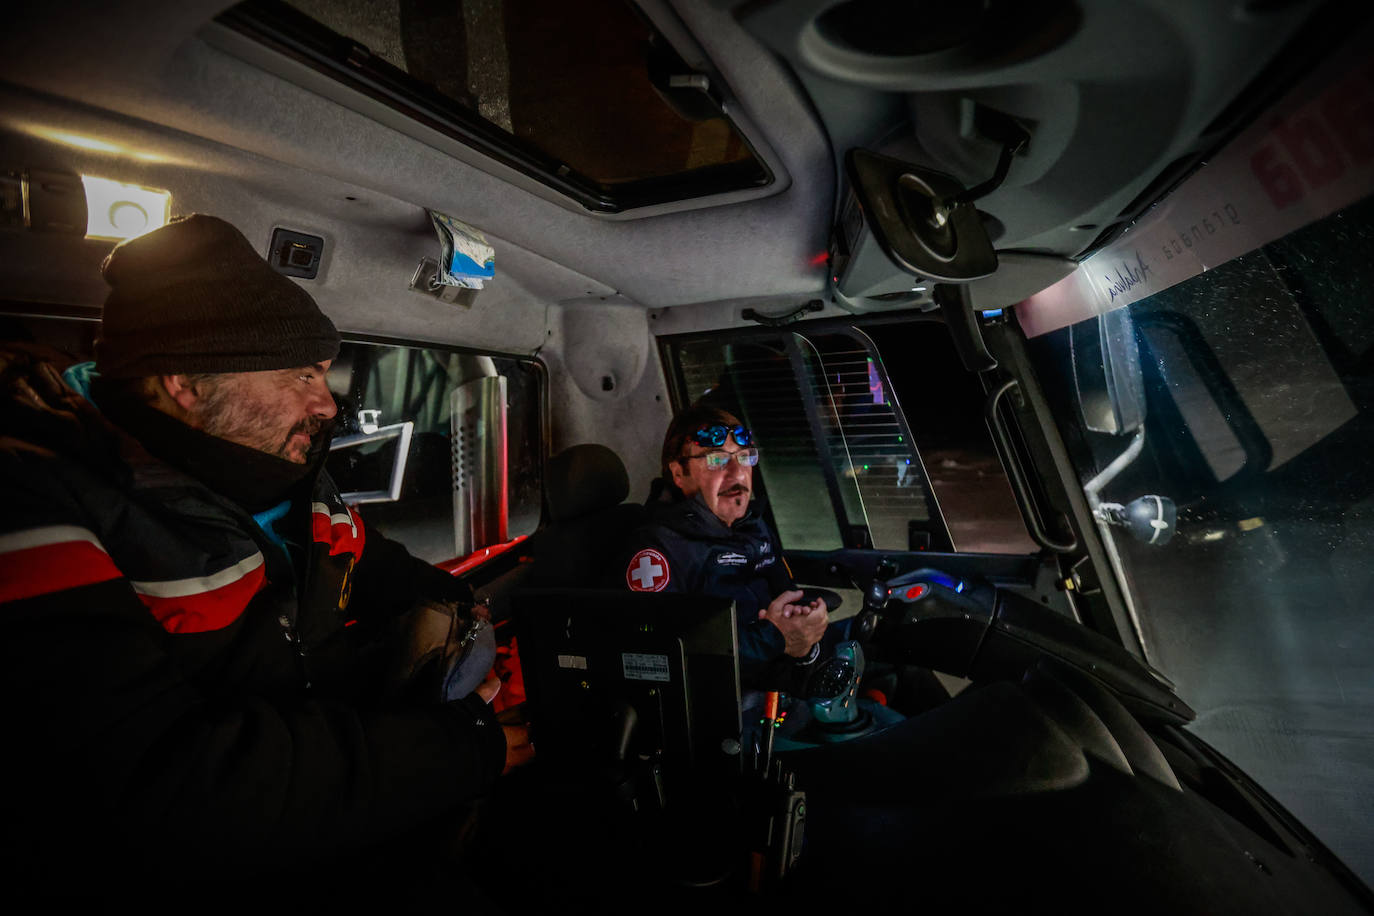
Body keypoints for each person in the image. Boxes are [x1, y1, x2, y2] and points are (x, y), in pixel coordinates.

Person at [0, 214, 530, 893]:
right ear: (186, 382)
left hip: (338, 818)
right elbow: (163, 790)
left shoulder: (281, 470)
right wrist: (461, 750)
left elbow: (380, 570)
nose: (326, 406)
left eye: (324, 375)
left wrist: (479, 623)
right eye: (299, 376)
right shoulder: (37, 503)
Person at [618, 403, 838, 693]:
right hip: (727, 715)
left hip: (784, 690)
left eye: (744, 457)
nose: (738, 473)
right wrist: (773, 638)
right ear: (679, 474)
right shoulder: (658, 550)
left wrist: (806, 640)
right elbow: (666, 654)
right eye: (717, 460)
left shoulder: (753, 526)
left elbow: (789, 603)